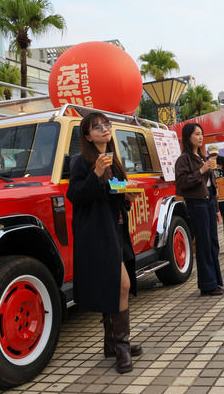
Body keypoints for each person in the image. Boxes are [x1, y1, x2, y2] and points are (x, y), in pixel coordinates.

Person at [66, 113, 142, 374]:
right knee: (122, 284)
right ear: (87, 136)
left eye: (106, 125)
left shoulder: (114, 159)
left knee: (115, 285)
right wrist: (96, 174)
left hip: (116, 229)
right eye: (96, 127)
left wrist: (127, 196)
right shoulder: (81, 161)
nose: (104, 129)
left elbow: (115, 193)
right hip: (97, 233)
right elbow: (75, 195)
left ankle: (111, 343)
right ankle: (122, 347)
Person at [175, 123, 224, 296]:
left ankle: (215, 282)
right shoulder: (184, 159)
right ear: (188, 136)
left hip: (209, 202)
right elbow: (182, 183)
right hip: (197, 204)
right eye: (197, 134)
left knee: (213, 242)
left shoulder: (203, 157)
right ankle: (207, 285)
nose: (201, 137)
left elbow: (212, 186)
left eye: (202, 134)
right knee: (204, 244)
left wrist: (217, 209)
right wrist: (201, 170)